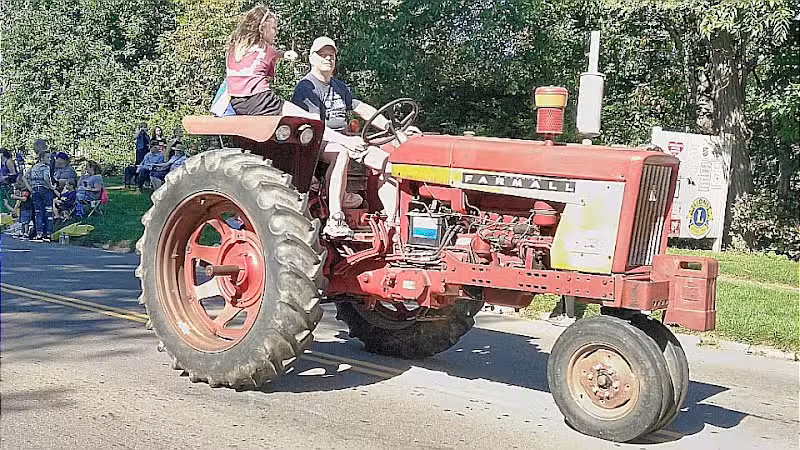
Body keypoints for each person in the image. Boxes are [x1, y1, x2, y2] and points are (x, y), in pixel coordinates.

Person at [291, 36, 413, 237]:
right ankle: (335, 219)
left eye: (331, 55)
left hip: (345, 140)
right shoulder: (306, 88)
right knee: (341, 153)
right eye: (323, 55)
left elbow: (361, 108)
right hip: (317, 142)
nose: (328, 59)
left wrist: (392, 128)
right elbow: (315, 127)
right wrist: (346, 141)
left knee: (388, 164)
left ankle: (393, 222)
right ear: (312, 58)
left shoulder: (339, 87)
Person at [224, 6, 365, 157]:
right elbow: (274, 55)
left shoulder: (234, 50)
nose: (275, 32)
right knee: (312, 120)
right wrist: (286, 54)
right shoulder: (265, 49)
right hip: (261, 100)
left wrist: (284, 55)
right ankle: (346, 142)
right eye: (273, 28)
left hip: (237, 103)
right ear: (262, 28)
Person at [24, 145, 56, 242]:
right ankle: (48, 233)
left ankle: (39, 233)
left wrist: (30, 188)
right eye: (48, 157)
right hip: (44, 190)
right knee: (48, 211)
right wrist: (52, 187)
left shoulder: (34, 167)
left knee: (38, 212)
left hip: (35, 190)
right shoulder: (45, 167)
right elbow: (46, 178)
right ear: (42, 158)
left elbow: (24, 177)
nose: (50, 159)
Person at [125, 123, 151, 188]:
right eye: (143, 127)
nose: (144, 129)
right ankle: (136, 180)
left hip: (146, 150)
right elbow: (134, 137)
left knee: (145, 164)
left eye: (145, 127)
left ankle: (144, 181)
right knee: (138, 164)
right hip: (139, 150)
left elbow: (149, 141)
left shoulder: (147, 135)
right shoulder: (138, 134)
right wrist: (139, 131)